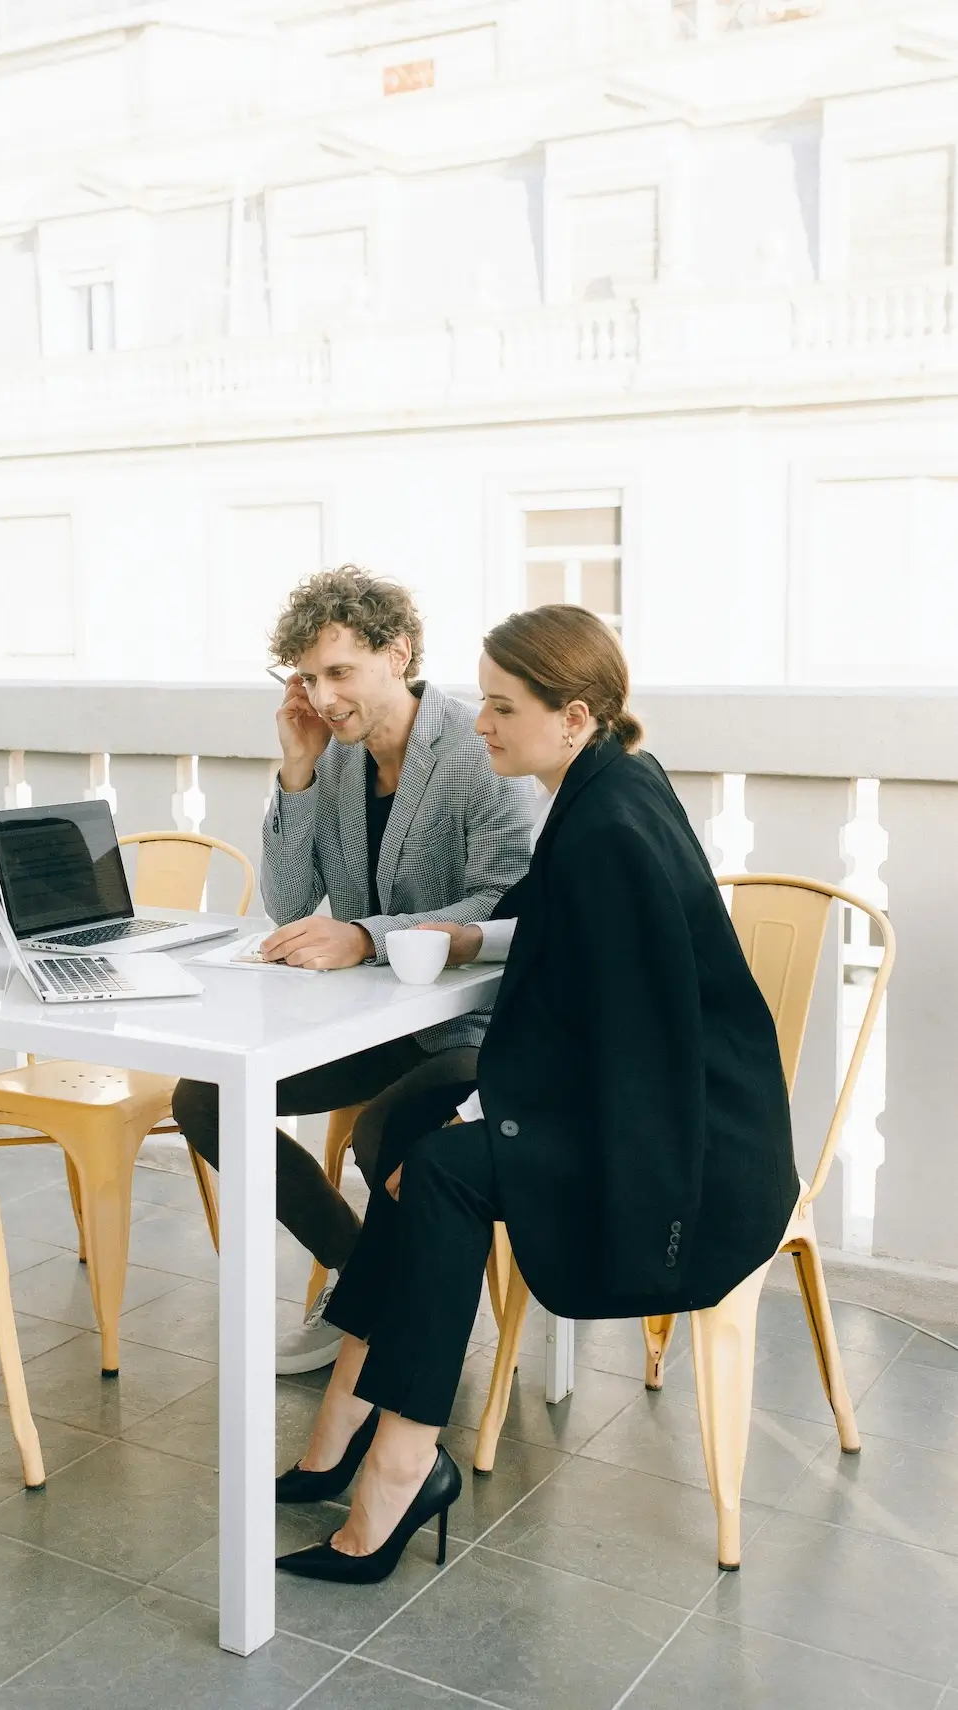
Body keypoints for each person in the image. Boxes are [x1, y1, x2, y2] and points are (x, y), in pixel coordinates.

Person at [275, 603, 798, 1583]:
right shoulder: (605, 790)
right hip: (641, 1099)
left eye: (505, 707)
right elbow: (575, 988)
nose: (480, 724)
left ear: (576, 716)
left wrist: (487, 1114)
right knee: (421, 1132)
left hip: (688, 1145)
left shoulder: (604, 827)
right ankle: (345, 1422)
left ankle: (397, 1464)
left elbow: (627, 1034)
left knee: (439, 1167)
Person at [171, 567, 535, 1373]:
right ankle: (362, 1273)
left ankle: (382, 1313)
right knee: (206, 1100)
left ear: (397, 653)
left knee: (384, 1134)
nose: (323, 695)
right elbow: (293, 902)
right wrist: (296, 772)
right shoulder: (335, 757)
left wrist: (366, 936)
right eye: (306, 676)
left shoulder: (479, 747)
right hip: (377, 1019)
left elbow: (508, 904)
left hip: (476, 1025)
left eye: (339, 672)